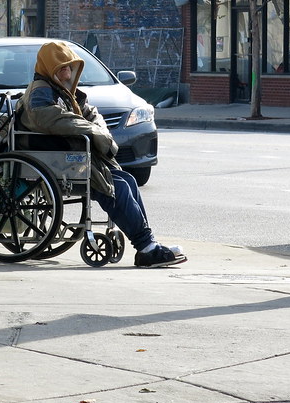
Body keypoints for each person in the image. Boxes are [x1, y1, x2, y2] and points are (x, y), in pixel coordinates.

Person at [16, 41, 186, 268]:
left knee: (128, 180)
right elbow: (48, 117)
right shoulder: (41, 90)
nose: (67, 73)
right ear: (50, 69)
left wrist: (98, 130)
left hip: (71, 156)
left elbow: (91, 113)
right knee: (116, 188)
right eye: (62, 68)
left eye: (69, 68)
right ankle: (146, 247)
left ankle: (147, 244)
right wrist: (91, 130)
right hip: (58, 158)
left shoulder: (63, 91)